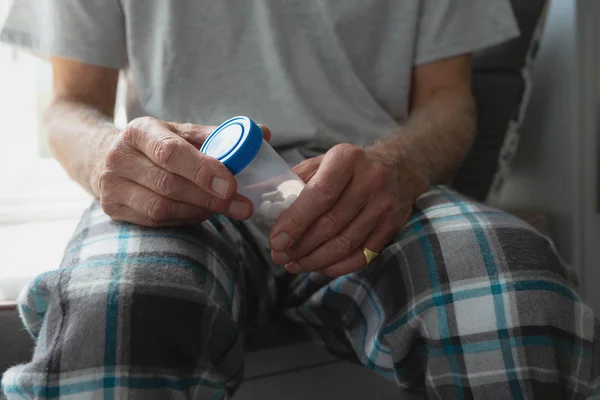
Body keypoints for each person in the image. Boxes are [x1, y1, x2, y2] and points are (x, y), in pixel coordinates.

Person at [1, 0, 598, 399]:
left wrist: (399, 166)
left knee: (522, 300)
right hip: (184, 186)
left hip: (367, 185)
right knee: (115, 314)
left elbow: (448, 99)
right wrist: (115, 151)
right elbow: (69, 104)